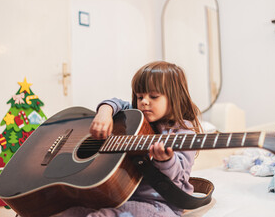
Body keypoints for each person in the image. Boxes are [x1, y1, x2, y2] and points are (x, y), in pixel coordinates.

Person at [61, 61, 201, 217]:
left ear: (175, 98)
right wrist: (104, 113)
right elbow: (117, 103)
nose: (144, 101)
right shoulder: (136, 118)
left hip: (159, 204)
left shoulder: (184, 131)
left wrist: (166, 160)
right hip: (119, 196)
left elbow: (179, 175)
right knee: (67, 211)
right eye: (140, 96)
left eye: (153, 96)